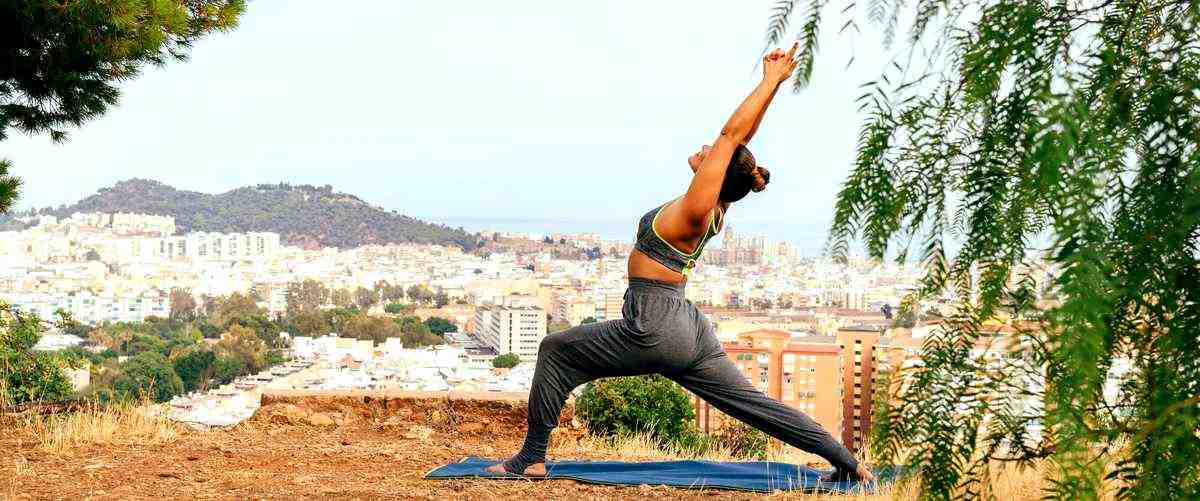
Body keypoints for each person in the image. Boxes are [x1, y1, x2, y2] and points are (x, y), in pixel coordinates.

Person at [486, 43, 875, 483]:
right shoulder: (716, 209)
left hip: (655, 323)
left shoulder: (696, 210)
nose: (707, 146)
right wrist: (766, 96)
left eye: (712, 151)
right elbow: (737, 144)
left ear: (717, 170)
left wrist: (770, 82)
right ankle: (848, 463)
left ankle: (531, 458)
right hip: (685, 326)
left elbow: (732, 139)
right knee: (756, 406)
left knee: (554, 351)